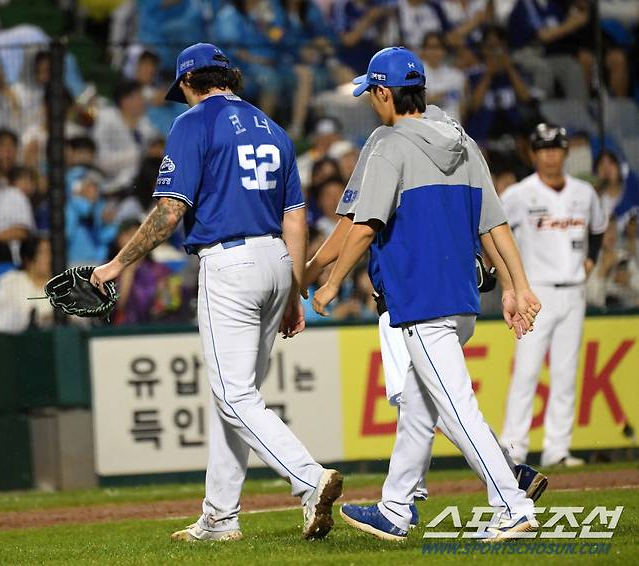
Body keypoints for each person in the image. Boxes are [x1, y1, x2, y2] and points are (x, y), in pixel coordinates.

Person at [91, 42, 343, 543]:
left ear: (188, 82)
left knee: (233, 395)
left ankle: (310, 479)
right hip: (275, 261)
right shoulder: (273, 127)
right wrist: (293, 291)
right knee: (234, 395)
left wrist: (118, 263)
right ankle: (220, 517)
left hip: (230, 262)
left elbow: (169, 211)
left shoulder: (192, 124)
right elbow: (295, 217)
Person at [310, 46, 541, 541]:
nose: (372, 102)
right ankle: (395, 508)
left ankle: (512, 504)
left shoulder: (389, 144)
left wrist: (329, 281)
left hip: (420, 298)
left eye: (372, 93)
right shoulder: (462, 140)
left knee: (456, 406)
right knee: (419, 407)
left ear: (386, 92)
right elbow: (494, 224)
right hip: (460, 297)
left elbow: (366, 225)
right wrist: (518, 286)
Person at [500, 123, 608, 468]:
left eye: (556, 148)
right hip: (536, 290)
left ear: (565, 152)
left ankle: (556, 449)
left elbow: (598, 229)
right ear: (533, 154)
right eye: (543, 149)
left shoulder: (583, 192)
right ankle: (513, 449)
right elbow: (495, 233)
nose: (550, 155)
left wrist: (590, 260)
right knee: (526, 372)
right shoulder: (518, 194)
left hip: (573, 289)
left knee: (565, 372)